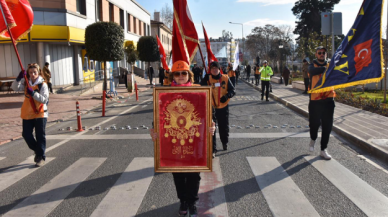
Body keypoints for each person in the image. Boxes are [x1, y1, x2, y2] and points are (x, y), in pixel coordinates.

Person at [150, 60, 216, 217]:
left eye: (183, 73)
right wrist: (153, 130)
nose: (180, 76)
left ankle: (192, 202)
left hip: (194, 139)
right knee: (178, 173)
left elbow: (209, 113)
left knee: (194, 173)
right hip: (174, 140)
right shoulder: (165, 93)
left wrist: (212, 126)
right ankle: (183, 200)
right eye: (177, 73)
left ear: (189, 75)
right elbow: (158, 116)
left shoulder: (200, 91)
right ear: (173, 75)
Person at [11, 63, 49, 167]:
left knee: (40, 135)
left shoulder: (43, 84)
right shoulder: (26, 82)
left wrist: (33, 93)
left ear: (38, 72)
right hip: (28, 113)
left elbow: (44, 99)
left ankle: (40, 157)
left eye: (34, 72)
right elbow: (14, 88)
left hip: (40, 113)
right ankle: (38, 150)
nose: (32, 74)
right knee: (26, 135)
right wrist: (18, 78)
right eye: (30, 72)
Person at [308, 46, 336, 160]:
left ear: (326, 54)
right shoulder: (312, 65)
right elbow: (312, 71)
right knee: (314, 124)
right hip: (315, 101)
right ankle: (313, 139)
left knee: (327, 126)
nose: (321, 54)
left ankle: (323, 149)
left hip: (329, 100)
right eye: (319, 53)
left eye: (323, 53)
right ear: (316, 54)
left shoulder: (331, 65)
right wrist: (325, 69)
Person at [201, 61, 235, 151]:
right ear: (210, 70)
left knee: (223, 127)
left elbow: (232, 91)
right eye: (212, 68)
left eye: (216, 68)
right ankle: (213, 149)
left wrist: (227, 96)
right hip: (211, 108)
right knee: (211, 129)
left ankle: (224, 142)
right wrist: (204, 80)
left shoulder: (225, 78)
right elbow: (200, 89)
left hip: (223, 107)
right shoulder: (208, 79)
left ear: (219, 69)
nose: (214, 70)